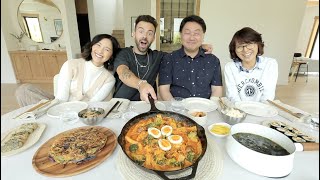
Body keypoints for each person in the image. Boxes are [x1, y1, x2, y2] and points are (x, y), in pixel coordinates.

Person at [113, 15, 213, 102]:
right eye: (141, 31)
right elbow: (123, 72)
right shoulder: (123, 53)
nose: (144, 36)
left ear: (153, 37)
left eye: (150, 33)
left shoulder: (158, 56)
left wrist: (197, 45)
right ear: (133, 33)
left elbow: (180, 54)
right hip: (121, 104)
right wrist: (141, 84)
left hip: (147, 105)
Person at [15, 34, 120, 107]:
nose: (100, 51)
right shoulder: (71, 65)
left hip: (85, 113)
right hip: (60, 106)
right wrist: (62, 112)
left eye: (107, 49)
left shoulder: (109, 79)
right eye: (98, 45)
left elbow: (93, 104)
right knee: (24, 90)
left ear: (111, 55)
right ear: (92, 46)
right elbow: (61, 98)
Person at [158, 15, 223, 100]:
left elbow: (216, 89)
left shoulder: (213, 61)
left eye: (196, 33)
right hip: (176, 109)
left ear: (203, 36)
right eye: (187, 33)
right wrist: (175, 109)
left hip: (205, 109)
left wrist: (209, 108)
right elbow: (164, 90)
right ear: (180, 35)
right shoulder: (169, 59)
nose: (192, 37)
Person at [224, 27, 278, 103]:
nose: (245, 50)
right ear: (234, 50)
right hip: (239, 111)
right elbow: (233, 96)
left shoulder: (270, 64)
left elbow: (267, 97)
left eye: (249, 44)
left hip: (262, 110)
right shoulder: (230, 67)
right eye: (240, 47)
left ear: (258, 44)